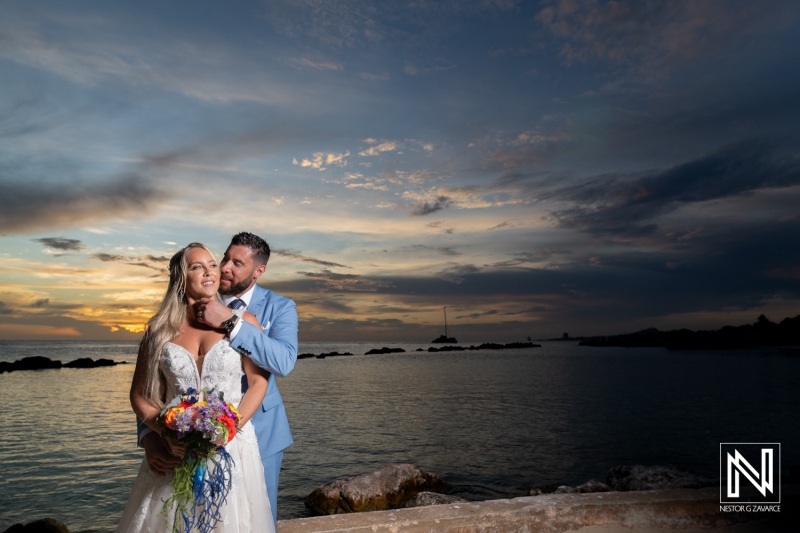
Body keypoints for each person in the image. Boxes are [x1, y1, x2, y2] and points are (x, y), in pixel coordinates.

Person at [139, 232, 298, 528]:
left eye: (237, 263)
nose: (223, 268)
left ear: (257, 271)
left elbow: (283, 363)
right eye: (223, 258)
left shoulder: (279, 307)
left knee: (252, 519)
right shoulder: (185, 306)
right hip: (183, 438)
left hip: (258, 436)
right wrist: (152, 436)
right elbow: (159, 384)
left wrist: (229, 321)